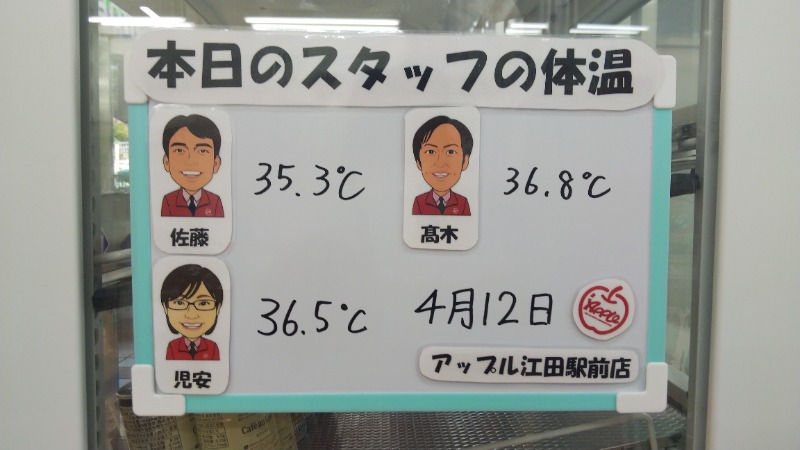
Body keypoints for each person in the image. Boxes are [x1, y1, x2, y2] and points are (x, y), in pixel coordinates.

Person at [161, 114, 224, 217]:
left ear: (216, 164)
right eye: (180, 150)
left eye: (202, 151)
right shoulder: (168, 200)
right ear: (167, 162)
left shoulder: (215, 201)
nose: (191, 161)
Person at [411, 116, 473, 216]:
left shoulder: (463, 202)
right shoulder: (419, 201)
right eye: (431, 152)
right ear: (418, 162)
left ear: (465, 161)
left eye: (450, 152)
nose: (440, 163)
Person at [161, 264, 223, 361]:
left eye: (203, 303)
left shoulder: (213, 346)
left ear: (217, 308)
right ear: (165, 307)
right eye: (180, 303)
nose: (191, 315)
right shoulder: (172, 346)